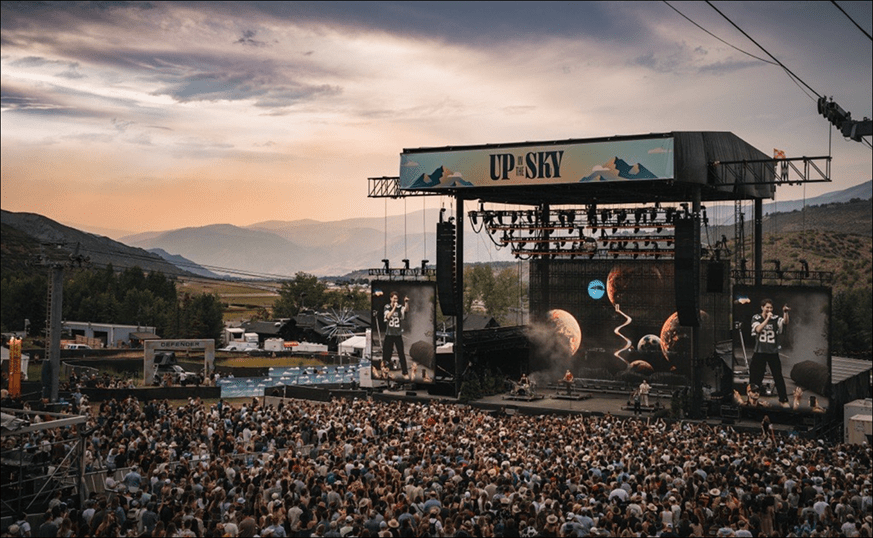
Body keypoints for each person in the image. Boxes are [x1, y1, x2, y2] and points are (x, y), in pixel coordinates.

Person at [749, 298, 790, 407]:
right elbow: (758, 329)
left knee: (778, 376)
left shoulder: (776, 318)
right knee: (756, 376)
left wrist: (785, 313)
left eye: (771, 307)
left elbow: (785, 322)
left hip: (772, 352)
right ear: (762, 307)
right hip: (760, 352)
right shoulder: (756, 317)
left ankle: (783, 399)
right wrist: (767, 319)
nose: (769, 309)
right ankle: (753, 398)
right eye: (767, 307)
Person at [382, 292, 410, 379]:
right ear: (390, 298)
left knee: (401, 353)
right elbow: (388, 316)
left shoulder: (399, 307)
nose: (395, 300)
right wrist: (394, 307)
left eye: (396, 299)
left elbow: (406, 310)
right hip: (389, 334)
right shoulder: (387, 307)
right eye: (394, 298)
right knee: (386, 355)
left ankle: (405, 372)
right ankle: (385, 372)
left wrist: (406, 302)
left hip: (397, 334)